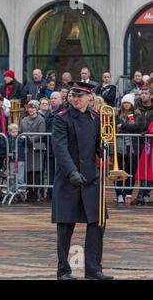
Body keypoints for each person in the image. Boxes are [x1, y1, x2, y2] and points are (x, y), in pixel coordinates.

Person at [51, 81, 113, 280]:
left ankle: (94, 269)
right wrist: (71, 172)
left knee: (97, 223)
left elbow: (97, 146)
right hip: (69, 179)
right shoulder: (61, 118)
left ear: (89, 98)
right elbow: (60, 148)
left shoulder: (96, 118)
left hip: (91, 179)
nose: (75, 99)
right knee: (65, 226)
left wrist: (105, 150)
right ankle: (63, 270)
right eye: (73, 96)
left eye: (80, 96)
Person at [114, 94, 140, 204]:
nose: (126, 105)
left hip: (132, 147)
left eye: (128, 103)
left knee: (131, 172)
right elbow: (115, 126)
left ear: (132, 104)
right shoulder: (117, 114)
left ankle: (128, 193)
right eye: (124, 102)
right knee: (118, 172)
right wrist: (127, 126)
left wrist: (122, 126)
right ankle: (119, 194)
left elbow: (136, 127)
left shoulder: (136, 114)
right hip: (119, 146)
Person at [19, 100, 46, 203]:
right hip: (26, 149)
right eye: (29, 107)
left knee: (37, 172)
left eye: (33, 107)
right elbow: (21, 131)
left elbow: (41, 133)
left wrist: (29, 139)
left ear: (37, 108)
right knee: (28, 171)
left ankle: (35, 193)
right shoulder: (24, 120)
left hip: (37, 149)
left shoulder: (41, 120)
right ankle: (29, 192)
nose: (31, 109)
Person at [44, 92, 63, 200]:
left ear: (61, 100)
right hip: (49, 147)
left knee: (58, 172)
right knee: (50, 172)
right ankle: (50, 193)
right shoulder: (48, 112)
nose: (53, 100)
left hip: (58, 147)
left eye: (55, 98)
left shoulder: (62, 112)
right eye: (51, 98)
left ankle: (57, 193)